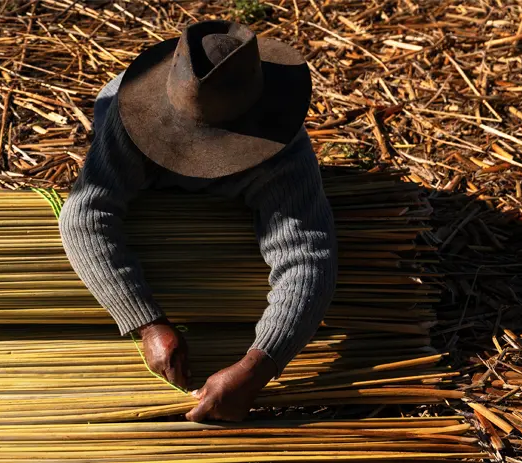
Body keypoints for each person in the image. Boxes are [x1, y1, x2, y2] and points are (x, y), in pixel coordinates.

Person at [58, 20, 338, 422]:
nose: (197, 153)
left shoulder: (280, 147)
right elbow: (83, 216)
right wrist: (148, 324)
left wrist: (258, 366)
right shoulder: (132, 116)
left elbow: (307, 258)